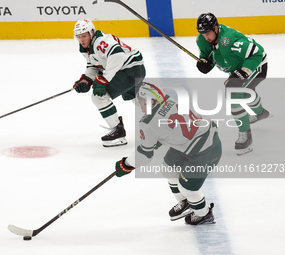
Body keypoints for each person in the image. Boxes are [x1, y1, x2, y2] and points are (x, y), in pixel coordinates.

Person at [114, 82, 222, 225]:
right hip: (191, 142)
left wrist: (126, 164)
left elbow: (144, 156)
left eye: (142, 101)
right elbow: (170, 128)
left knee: (187, 188)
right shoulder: (169, 100)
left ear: (151, 100)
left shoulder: (148, 124)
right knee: (167, 169)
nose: (140, 104)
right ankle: (186, 202)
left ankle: (204, 214)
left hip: (205, 149)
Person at [195, 13, 271, 156]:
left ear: (216, 28)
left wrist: (243, 72)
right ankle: (260, 112)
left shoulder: (228, 40)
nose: (206, 37)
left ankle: (245, 135)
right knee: (245, 91)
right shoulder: (202, 40)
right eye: (203, 34)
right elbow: (209, 57)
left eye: (208, 33)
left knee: (234, 93)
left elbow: (256, 53)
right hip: (237, 68)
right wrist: (205, 63)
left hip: (257, 65)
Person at [72, 19, 146, 147]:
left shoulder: (101, 42)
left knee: (99, 97)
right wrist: (86, 79)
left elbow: (118, 56)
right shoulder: (88, 46)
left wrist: (103, 80)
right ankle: (160, 127)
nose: (82, 40)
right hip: (135, 70)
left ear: (91, 33)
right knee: (135, 96)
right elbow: (94, 65)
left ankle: (118, 132)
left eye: (84, 36)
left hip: (128, 71)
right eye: (79, 37)